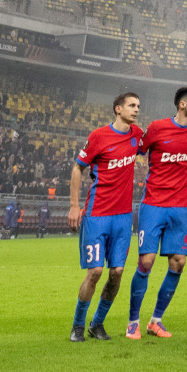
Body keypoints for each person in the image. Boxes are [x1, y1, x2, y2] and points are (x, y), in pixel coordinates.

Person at [126, 87, 187, 339]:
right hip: (153, 204)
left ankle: (155, 321)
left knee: (178, 262)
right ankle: (132, 322)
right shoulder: (157, 128)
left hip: (179, 207)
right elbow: (135, 150)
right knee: (146, 262)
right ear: (182, 104)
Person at [68, 92, 144, 342]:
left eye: (138, 106)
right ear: (118, 109)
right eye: (131, 105)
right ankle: (78, 325)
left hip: (122, 217)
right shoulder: (98, 136)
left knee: (117, 272)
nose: (136, 110)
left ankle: (97, 324)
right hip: (97, 214)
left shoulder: (137, 135)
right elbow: (78, 168)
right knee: (95, 272)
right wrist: (73, 205)